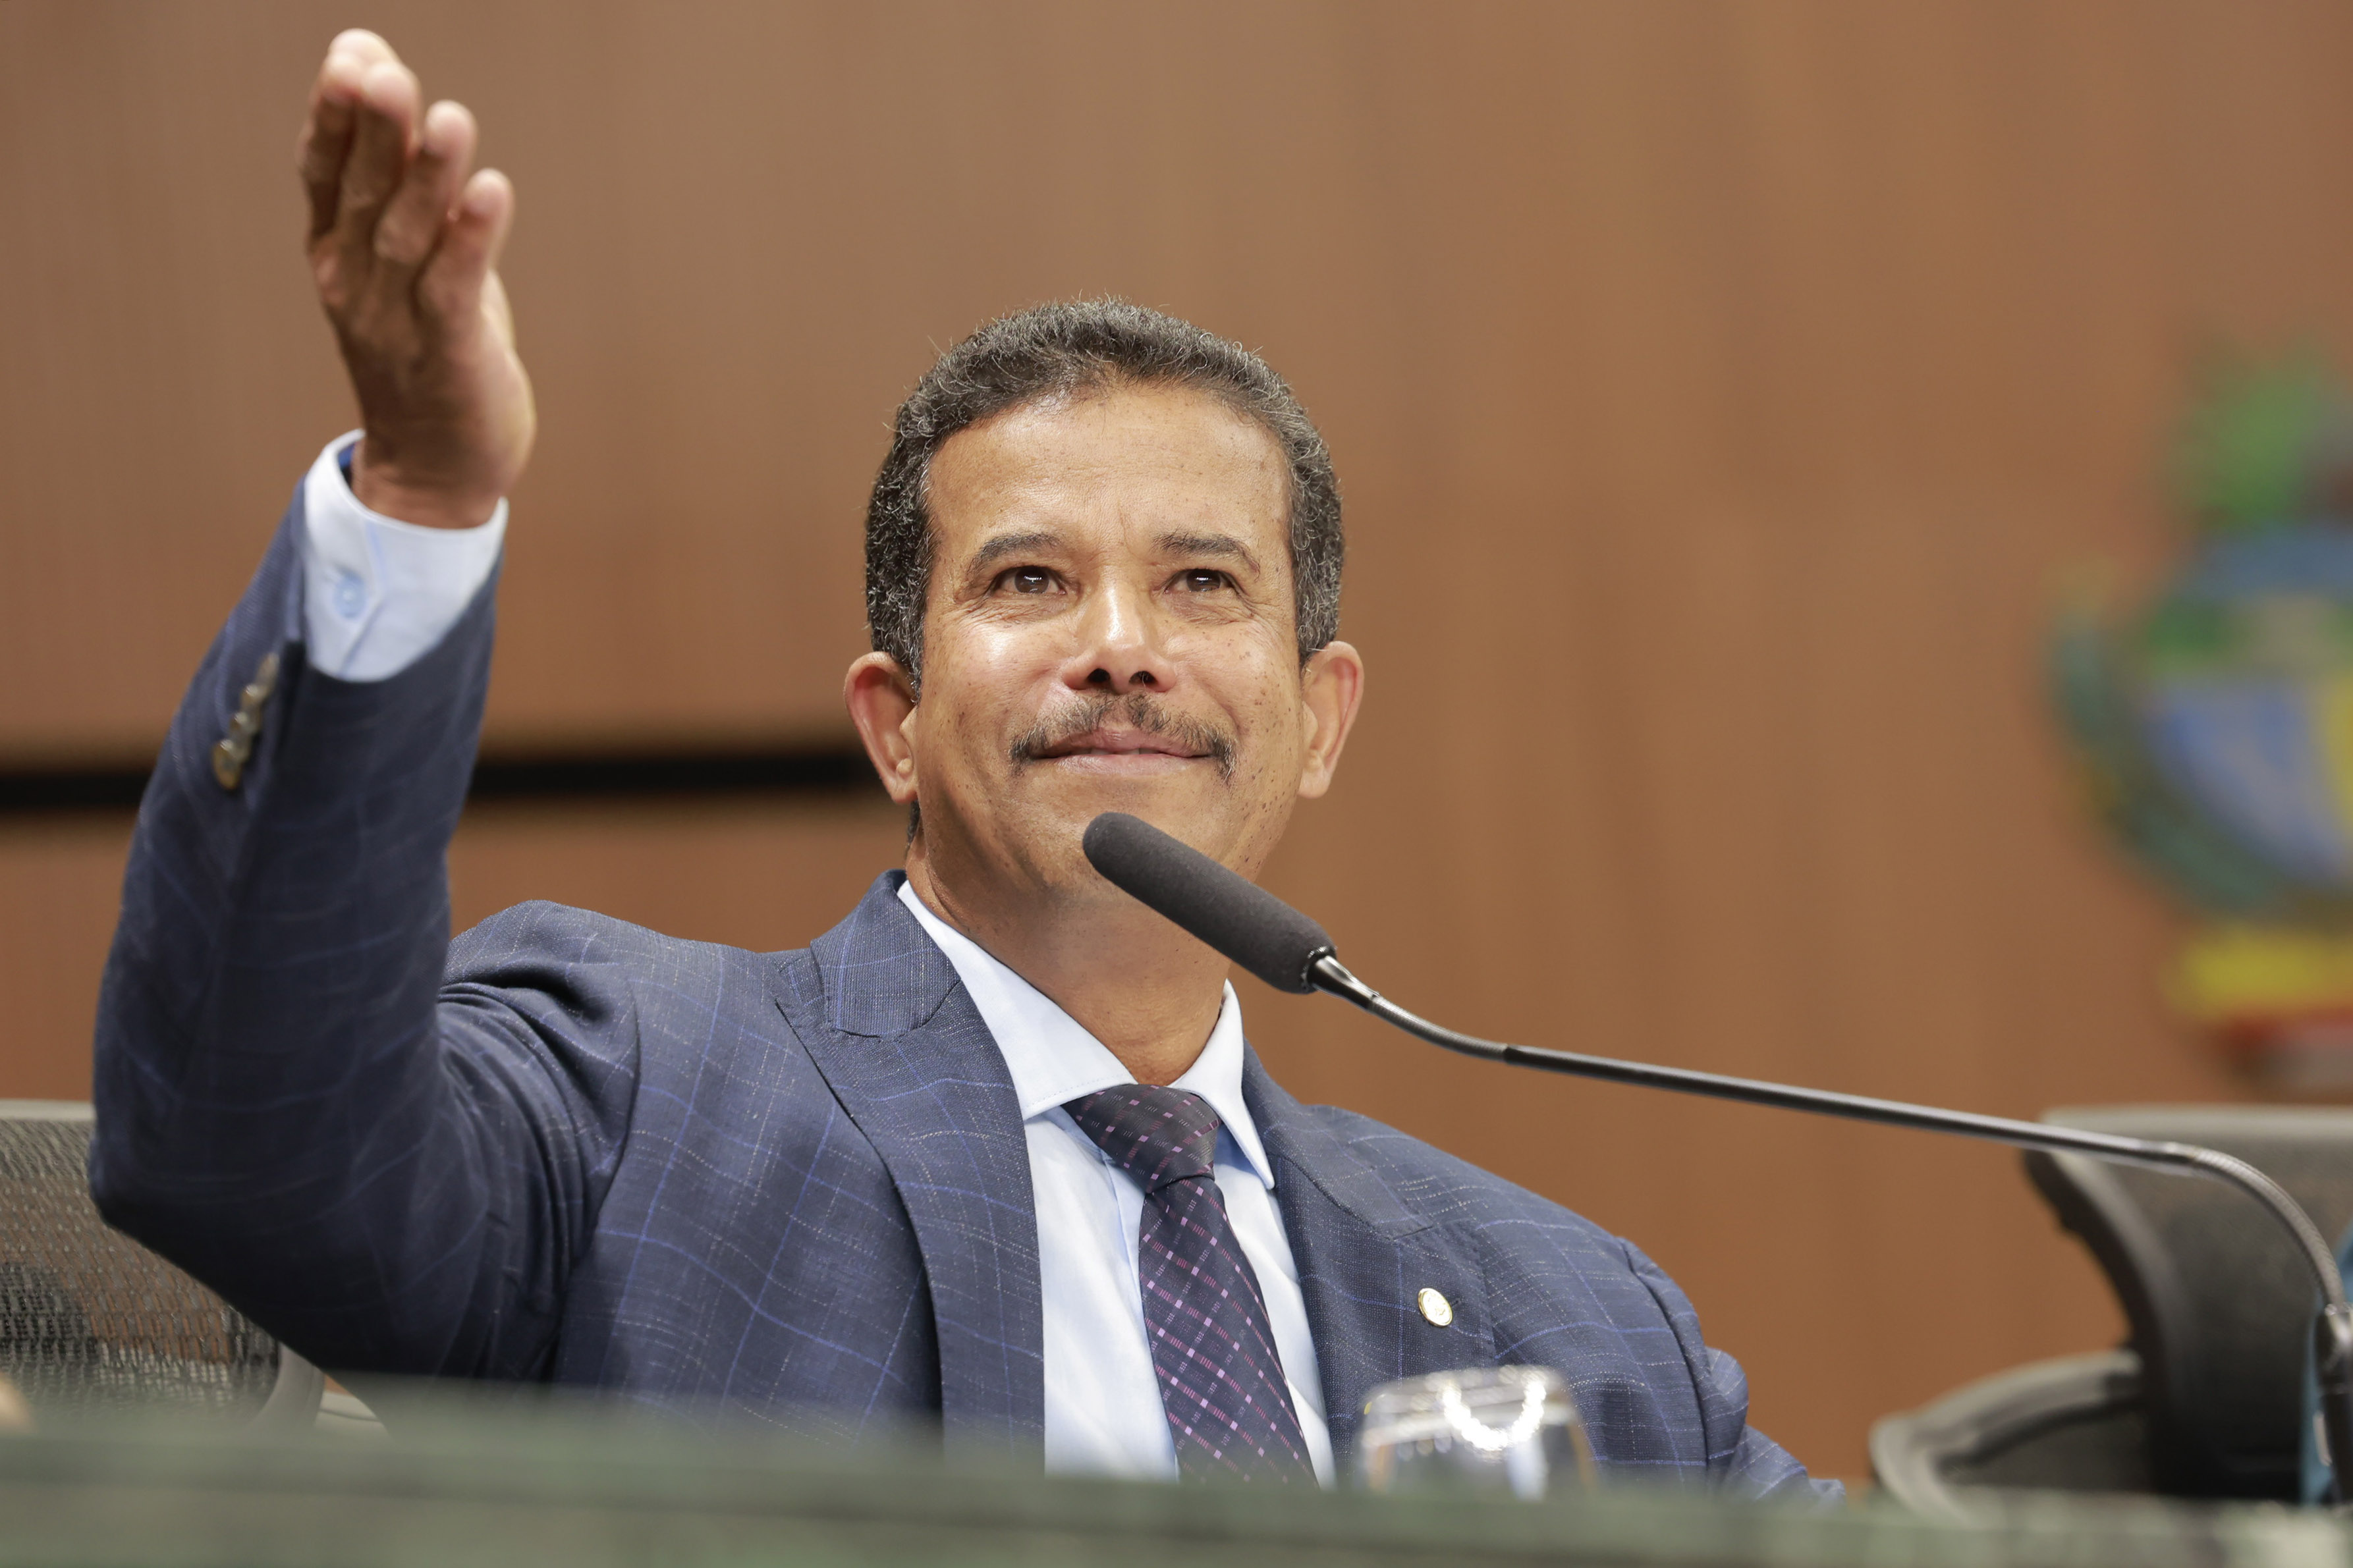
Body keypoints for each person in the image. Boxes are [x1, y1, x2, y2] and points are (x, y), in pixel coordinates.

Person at [90, 30, 1830, 1498]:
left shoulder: (1572, 1317)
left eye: (1201, 584)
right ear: (893, 727)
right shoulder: (633, 1101)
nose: (1122, 644)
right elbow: (249, 1149)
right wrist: (417, 499)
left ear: (1321, 721)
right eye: (1028, 583)